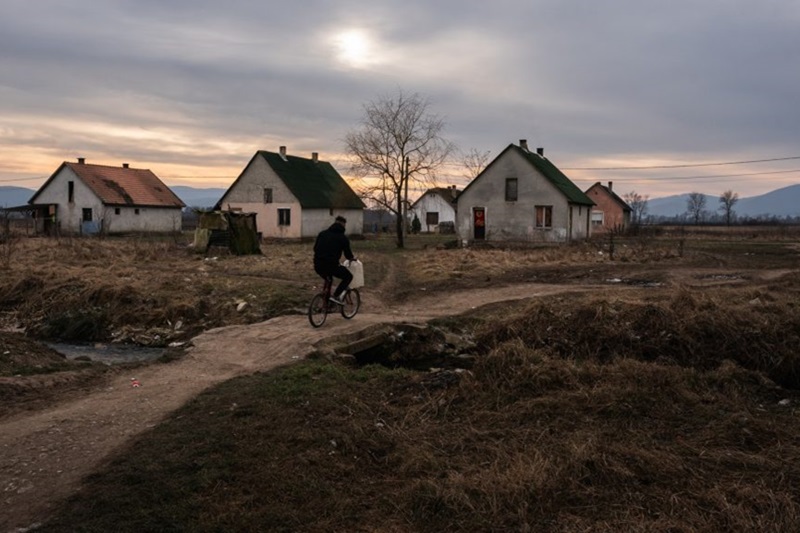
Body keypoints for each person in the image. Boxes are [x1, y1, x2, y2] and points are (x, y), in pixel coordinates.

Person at [313, 215, 356, 305]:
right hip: (331, 266)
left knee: (329, 279)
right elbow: (348, 255)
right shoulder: (343, 238)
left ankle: (326, 303)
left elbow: (315, 248)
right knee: (348, 277)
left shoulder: (322, 234)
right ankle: (335, 296)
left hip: (318, 265)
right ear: (343, 225)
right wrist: (353, 258)